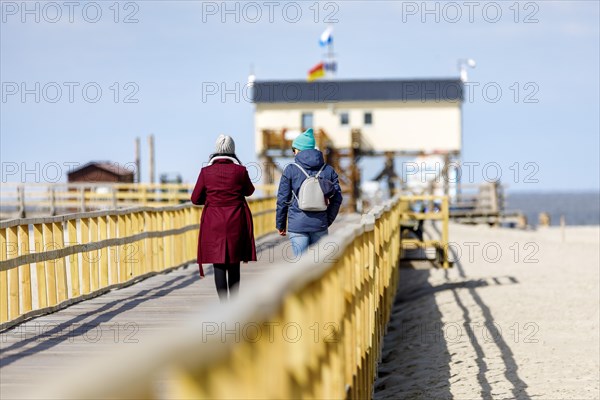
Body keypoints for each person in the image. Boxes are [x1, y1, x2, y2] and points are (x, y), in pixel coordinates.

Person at [191, 135, 256, 302]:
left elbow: (195, 198)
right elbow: (249, 191)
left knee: (218, 264)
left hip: (213, 222)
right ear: (232, 150)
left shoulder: (206, 172)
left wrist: (212, 199)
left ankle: (223, 305)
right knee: (234, 264)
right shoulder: (240, 171)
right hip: (236, 221)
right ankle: (234, 306)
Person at [276, 128, 343, 257]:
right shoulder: (328, 170)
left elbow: (282, 199)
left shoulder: (290, 169)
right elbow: (337, 198)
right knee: (319, 267)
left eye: (293, 149)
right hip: (320, 224)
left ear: (298, 150)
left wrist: (281, 224)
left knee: (301, 267)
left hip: (297, 225)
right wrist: (327, 220)